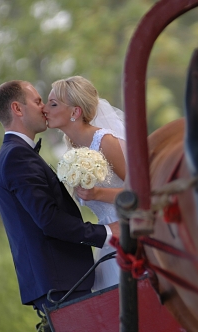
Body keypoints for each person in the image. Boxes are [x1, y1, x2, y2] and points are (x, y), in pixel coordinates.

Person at [0, 80, 118, 326]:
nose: (44, 108)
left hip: (60, 283)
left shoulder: (13, 155)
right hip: (61, 283)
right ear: (18, 109)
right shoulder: (17, 157)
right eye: (38, 101)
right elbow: (50, 220)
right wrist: (108, 232)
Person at [44, 76, 126, 291]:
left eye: (53, 104)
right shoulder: (73, 150)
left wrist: (98, 193)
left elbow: (143, 192)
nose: (44, 109)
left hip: (131, 230)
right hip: (109, 241)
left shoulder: (106, 142)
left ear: (75, 112)